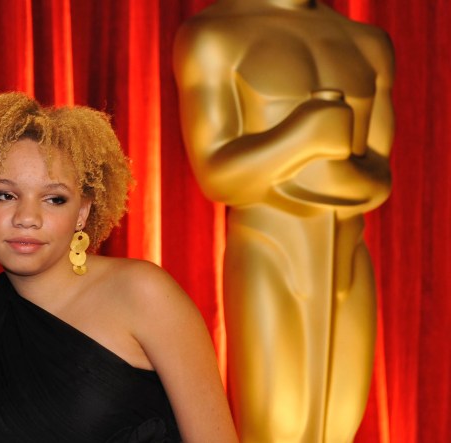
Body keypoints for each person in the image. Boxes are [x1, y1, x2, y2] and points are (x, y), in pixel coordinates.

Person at [173, 1, 394, 441]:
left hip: (350, 253)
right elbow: (216, 175)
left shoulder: (369, 44)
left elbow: (380, 176)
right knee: (275, 426)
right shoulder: (213, 36)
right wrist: (303, 137)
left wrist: (313, 165)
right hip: (268, 249)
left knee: (338, 426)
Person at [0, 92, 237, 442]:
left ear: (82, 213)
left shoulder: (144, 293)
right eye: (5, 195)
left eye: (54, 199)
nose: (27, 218)